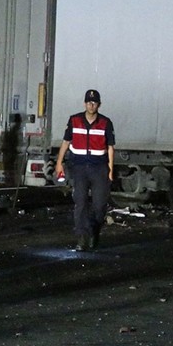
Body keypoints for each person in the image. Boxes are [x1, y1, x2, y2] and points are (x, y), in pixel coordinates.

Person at [55, 89, 115, 251]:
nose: (91, 105)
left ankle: (94, 231)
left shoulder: (105, 123)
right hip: (79, 168)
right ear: (84, 103)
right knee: (80, 203)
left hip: (99, 168)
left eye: (94, 102)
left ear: (99, 105)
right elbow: (66, 143)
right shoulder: (74, 121)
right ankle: (81, 238)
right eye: (89, 102)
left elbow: (110, 148)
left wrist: (110, 169)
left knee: (99, 205)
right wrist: (59, 163)